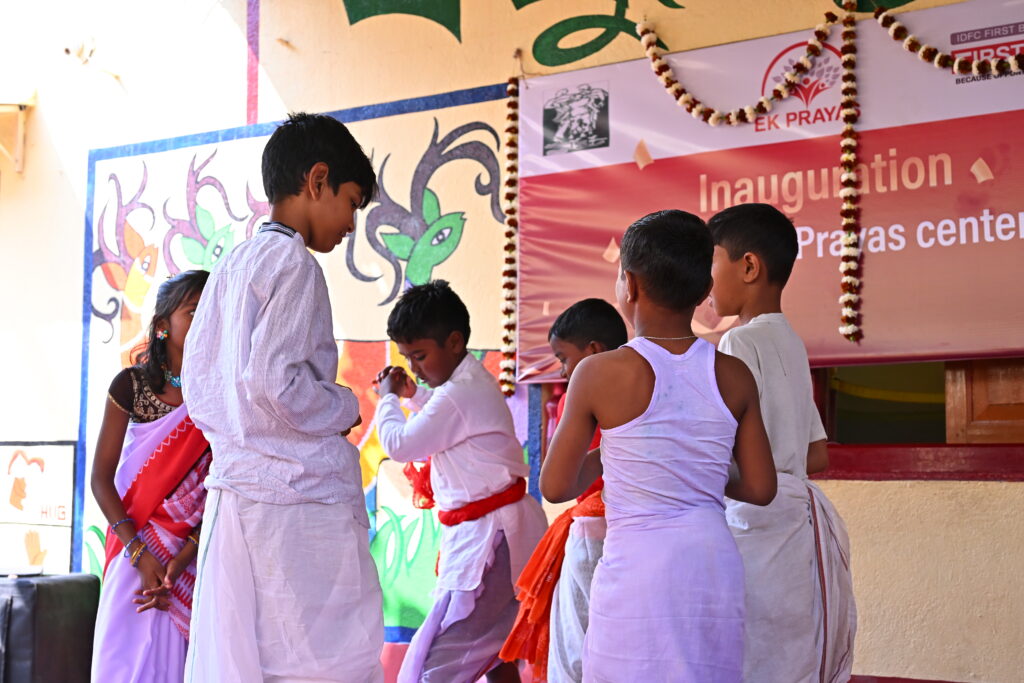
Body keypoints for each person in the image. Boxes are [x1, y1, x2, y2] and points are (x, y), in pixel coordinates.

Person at [182, 113, 384, 682]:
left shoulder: (232, 263)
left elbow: (201, 385)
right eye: (350, 201)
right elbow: (274, 384)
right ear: (316, 180)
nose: (350, 223)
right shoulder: (294, 263)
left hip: (237, 495)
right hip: (294, 500)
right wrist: (345, 406)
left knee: (255, 658)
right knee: (317, 658)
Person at [541, 209, 777, 683]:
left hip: (640, 567)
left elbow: (555, 484)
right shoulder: (734, 374)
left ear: (628, 284)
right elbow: (760, 486)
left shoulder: (598, 372)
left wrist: (618, 454)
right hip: (712, 563)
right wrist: (696, 470)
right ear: (704, 290)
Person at [709, 203, 856, 683]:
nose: (704, 283)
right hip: (796, 528)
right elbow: (816, 454)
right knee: (788, 658)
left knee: (749, 656)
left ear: (749, 266)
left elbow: (725, 453)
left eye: (711, 265)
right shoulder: (792, 342)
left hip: (755, 527)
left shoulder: (737, 344)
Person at [373, 280, 548, 683]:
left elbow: (400, 444)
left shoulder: (459, 392)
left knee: (444, 663)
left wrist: (387, 398)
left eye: (419, 355)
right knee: (495, 654)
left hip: (493, 537)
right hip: (495, 532)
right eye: (407, 357)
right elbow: (443, 425)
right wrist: (413, 396)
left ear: (454, 342)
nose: (414, 366)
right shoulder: (464, 386)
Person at [90, 270, 212, 683]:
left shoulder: (218, 396)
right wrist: (140, 555)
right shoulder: (132, 386)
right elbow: (101, 480)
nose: (207, 320)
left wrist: (180, 560)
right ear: (163, 326)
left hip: (188, 561)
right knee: (120, 664)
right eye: (195, 312)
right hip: (133, 549)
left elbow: (219, 487)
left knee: (175, 668)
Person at [500, 298, 627, 682]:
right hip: (639, 530)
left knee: (575, 650)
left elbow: (555, 485)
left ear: (592, 352)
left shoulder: (590, 384)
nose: (563, 370)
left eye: (564, 358)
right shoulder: (649, 380)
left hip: (595, 529)